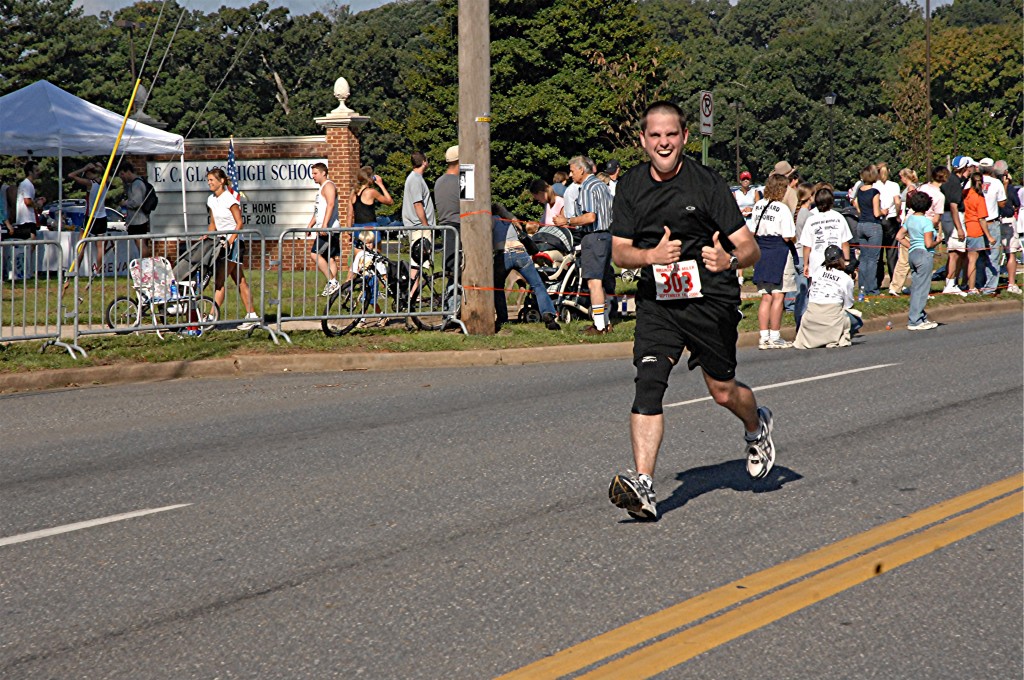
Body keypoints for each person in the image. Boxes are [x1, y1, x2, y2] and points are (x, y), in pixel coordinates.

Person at [606, 101, 775, 522]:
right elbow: (619, 253)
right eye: (655, 135)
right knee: (648, 384)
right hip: (658, 303)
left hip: (710, 300)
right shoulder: (629, 186)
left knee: (722, 391)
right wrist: (652, 256)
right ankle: (644, 485)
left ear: (684, 137)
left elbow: (749, 247)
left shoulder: (706, 184)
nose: (663, 142)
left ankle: (757, 426)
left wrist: (730, 262)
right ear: (643, 141)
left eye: (671, 135)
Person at [553, 156, 615, 335]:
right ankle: (606, 321)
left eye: (572, 171)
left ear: (582, 170)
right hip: (606, 236)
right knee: (600, 282)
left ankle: (599, 326)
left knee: (593, 282)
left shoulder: (587, 187)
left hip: (593, 237)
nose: (571, 175)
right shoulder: (602, 185)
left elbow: (590, 217)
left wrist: (567, 220)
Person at [491, 203, 560, 332]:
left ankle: (502, 318)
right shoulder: (511, 220)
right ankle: (548, 315)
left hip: (503, 254)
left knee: (497, 287)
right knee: (537, 285)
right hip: (520, 253)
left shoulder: (491, 220)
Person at [206, 168, 259, 331]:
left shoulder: (230, 199)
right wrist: (206, 238)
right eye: (208, 180)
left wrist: (231, 240)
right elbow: (213, 223)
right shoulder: (211, 200)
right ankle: (252, 315)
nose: (209, 183)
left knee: (220, 280)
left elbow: (239, 223)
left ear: (221, 181)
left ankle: (211, 317)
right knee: (240, 280)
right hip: (220, 245)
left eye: (212, 180)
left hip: (234, 245)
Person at [749, 173, 796, 349]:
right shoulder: (782, 208)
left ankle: (763, 336)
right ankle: (775, 336)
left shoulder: (759, 205)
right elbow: (787, 236)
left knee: (765, 296)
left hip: (762, 250)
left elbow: (752, 229)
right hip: (779, 251)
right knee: (778, 295)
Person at [793, 245, 861, 349]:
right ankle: (833, 337)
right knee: (857, 321)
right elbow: (848, 305)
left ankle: (821, 337)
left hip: (810, 318)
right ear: (841, 259)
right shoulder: (845, 279)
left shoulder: (817, 272)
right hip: (831, 317)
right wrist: (850, 279)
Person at [895, 190, 939, 330]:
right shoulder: (927, 222)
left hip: (913, 253)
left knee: (916, 287)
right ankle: (915, 321)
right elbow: (928, 243)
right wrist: (938, 241)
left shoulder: (910, 219)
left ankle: (920, 316)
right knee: (922, 289)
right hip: (924, 255)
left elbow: (899, 236)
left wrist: (911, 245)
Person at [401, 151, 436, 294]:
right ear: (424, 162)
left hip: (417, 227)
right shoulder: (415, 179)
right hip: (418, 227)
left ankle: (413, 294)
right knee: (418, 262)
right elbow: (418, 205)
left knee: (419, 263)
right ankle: (411, 295)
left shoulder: (414, 178)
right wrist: (425, 225)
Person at [306, 162, 341, 297]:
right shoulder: (321, 189)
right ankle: (334, 286)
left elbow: (331, 205)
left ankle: (332, 282)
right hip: (324, 228)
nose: (313, 176)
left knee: (315, 254)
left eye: (315, 173)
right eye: (312, 173)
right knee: (330, 258)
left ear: (323, 173)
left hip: (329, 230)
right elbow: (318, 211)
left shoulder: (329, 186)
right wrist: (311, 225)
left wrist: (325, 225)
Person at [68, 162, 110, 274]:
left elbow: (71, 175)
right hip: (102, 216)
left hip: (91, 217)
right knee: (100, 246)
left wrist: (83, 168)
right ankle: (99, 272)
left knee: (81, 244)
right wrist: (99, 167)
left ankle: (76, 269)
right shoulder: (104, 181)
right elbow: (103, 170)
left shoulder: (90, 183)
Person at [939, 157, 970, 296]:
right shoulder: (955, 182)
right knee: (955, 252)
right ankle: (950, 283)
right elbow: (953, 206)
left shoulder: (949, 179)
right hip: (953, 218)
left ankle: (951, 281)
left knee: (954, 251)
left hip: (945, 217)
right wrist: (959, 228)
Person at [852, 164, 884, 296]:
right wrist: (884, 211)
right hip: (873, 225)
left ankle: (862, 287)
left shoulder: (860, 190)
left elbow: (858, 209)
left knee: (863, 258)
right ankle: (872, 288)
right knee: (873, 259)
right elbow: (876, 213)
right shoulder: (874, 192)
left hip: (861, 225)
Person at [345, 229, 387, 328]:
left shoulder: (375, 255)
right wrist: (350, 280)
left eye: (370, 243)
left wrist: (384, 280)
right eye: (366, 243)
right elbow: (355, 268)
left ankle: (378, 316)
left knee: (371, 301)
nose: (368, 245)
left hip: (373, 280)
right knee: (365, 300)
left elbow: (381, 268)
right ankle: (368, 318)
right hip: (363, 280)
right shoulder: (360, 255)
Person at [962, 171, 995, 295]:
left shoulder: (966, 194)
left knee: (967, 259)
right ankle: (971, 287)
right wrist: (989, 236)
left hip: (966, 226)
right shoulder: (979, 197)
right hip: (975, 230)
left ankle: (965, 283)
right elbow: (981, 219)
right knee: (973, 260)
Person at [978, 159, 1007, 294]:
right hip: (991, 221)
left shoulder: (974, 182)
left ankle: (978, 283)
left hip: (977, 222)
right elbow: (1002, 203)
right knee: (993, 255)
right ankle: (989, 288)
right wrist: (1005, 186)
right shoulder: (996, 183)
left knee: (978, 254)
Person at [434, 145, 462, 274]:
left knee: (450, 267)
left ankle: (451, 292)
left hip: (445, 227)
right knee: (460, 268)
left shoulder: (439, 181)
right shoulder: (463, 181)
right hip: (459, 227)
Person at [874, 162, 902, 291]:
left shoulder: (874, 185)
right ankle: (893, 281)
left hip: (878, 219)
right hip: (891, 220)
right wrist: (897, 214)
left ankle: (877, 281)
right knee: (892, 252)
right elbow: (897, 201)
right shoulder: (894, 185)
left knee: (878, 253)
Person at [118, 162, 151, 256]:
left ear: (128, 172)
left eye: (122, 174)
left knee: (140, 243)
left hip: (138, 220)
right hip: (135, 219)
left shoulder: (137, 184)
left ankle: (145, 264)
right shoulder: (133, 184)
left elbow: (137, 202)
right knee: (138, 244)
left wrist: (125, 203)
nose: (122, 177)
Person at [351, 165, 393, 233]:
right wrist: (381, 185)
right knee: (375, 244)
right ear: (370, 178)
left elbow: (349, 215)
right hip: (370, 227)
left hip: (357, 227)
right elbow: (390, 201)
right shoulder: (371, 192)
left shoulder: (353, 193)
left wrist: (348, 232)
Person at [14, 160, 41, 240]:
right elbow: (27, 201)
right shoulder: (27, 184)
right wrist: (37, 205)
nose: (38, 172)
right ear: (30, 172)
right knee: (31, 243)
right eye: (36, 170)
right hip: (26, 219)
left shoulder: (28, 184)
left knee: (31, 243)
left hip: (26, 219)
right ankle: (26, 253)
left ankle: (26, 253)